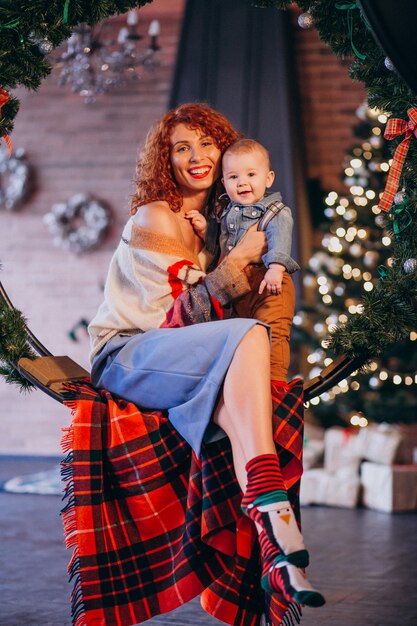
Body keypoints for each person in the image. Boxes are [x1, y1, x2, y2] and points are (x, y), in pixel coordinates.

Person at [88, 103, 325, 613]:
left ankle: (277, 545)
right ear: (165, 159)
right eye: (181, 147)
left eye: (206, 144)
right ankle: (273, 505)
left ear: (225, 152)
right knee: (247, 335)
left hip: (179, 359)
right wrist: (239, 263)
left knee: (247, 359)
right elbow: (180, 317)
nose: (196, 157)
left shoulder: (218, 223)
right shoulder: (157, 216)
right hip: (127, 351)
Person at [186, 138, 300, 382]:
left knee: (273, 334)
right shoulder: (228, 211)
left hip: (268, 284)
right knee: (242, 340)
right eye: (234, 177)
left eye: (251, 174)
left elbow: (280, 237)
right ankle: (247, 385)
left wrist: (276, 268)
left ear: (268, 179)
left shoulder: (275, 211)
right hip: (237, 287)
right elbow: (221, 242)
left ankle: (274, 383)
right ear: (224, 182)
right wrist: (206, 229)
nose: (242, 182)